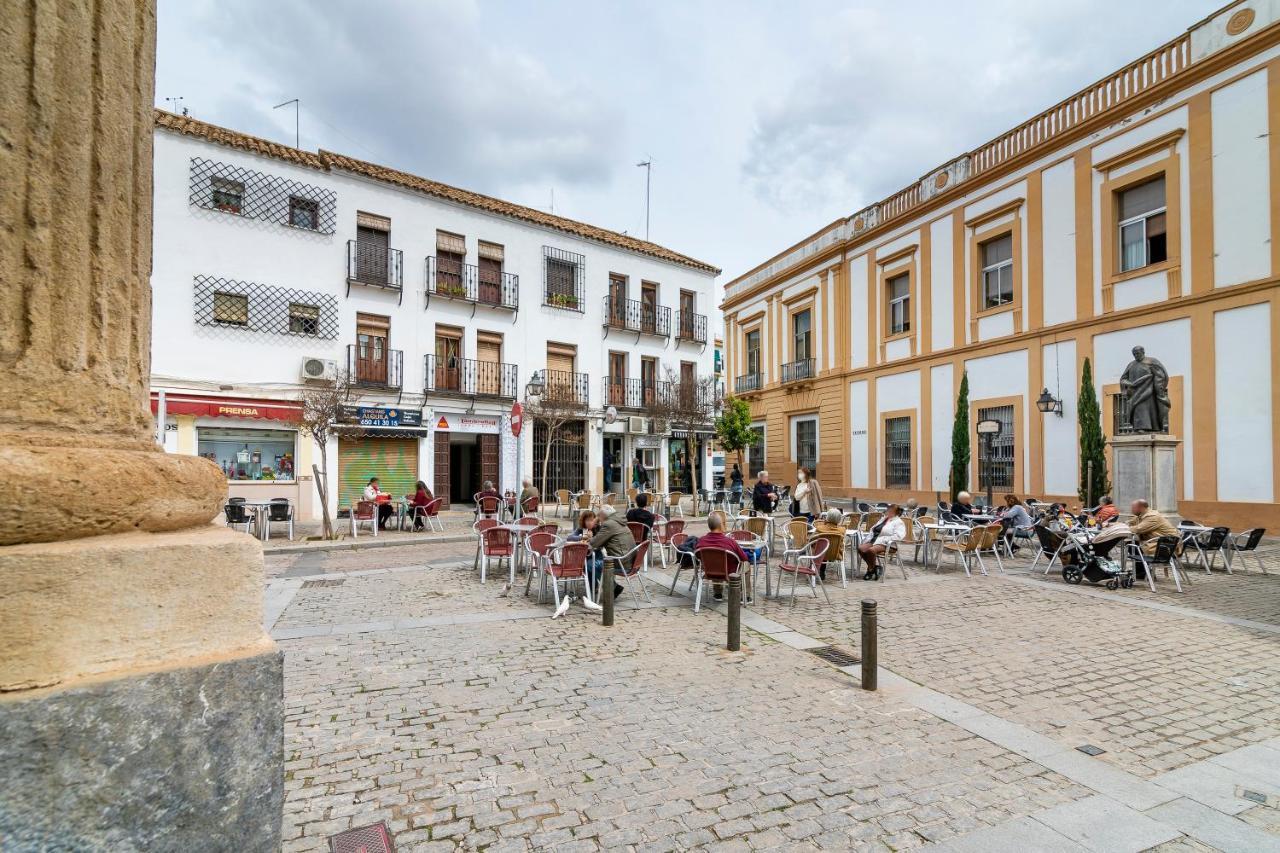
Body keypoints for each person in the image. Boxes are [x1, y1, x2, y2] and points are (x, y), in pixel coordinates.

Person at [695, 512, 749, 600]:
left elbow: (697, 556)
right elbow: (744, 558)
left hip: (709, 572)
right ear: (721, 525)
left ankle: (718, 593)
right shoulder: (729, 542)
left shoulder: (701, 541)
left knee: (714, 563)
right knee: (746, 564)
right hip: (730, 573)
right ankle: (745, 596)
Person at [588, 505, 631, 599]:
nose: (598, 520)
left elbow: (594, 543)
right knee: (595, 561)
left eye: (599, 518)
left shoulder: (609, 524)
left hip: (620, 562)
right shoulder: (619, 521)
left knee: (590, 564)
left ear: (602, 517)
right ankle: (613, 586)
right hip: (630, 559)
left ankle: (608, 588)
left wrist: (594, 523)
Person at [856, 504, 906, 580]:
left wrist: (885, 539)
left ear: (896, 512)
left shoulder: (898, 522)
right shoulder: (884, 519)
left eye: (890, 510)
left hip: (888, 544)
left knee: (871, 550)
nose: (888, 511)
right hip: (874, 540)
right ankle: (874, 568)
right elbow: (874, 529)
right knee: (860, 548)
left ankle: (870, 570)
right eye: (888, 510)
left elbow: (899, 536)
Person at [812, 508, 847, 582]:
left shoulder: (819, 528)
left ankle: (815, 571)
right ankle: (821, 571)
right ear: (839, 519)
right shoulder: (842, 530)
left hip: (820, 555)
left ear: (827, 517)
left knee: (816, 548)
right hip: (836, 554)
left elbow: (811, 541)